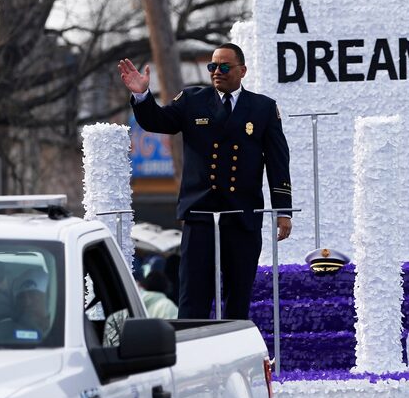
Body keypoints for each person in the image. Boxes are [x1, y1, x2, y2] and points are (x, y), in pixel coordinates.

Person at [118, 42, 292, 320]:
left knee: (238, 298)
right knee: (193, 298)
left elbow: (277, 161)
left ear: (242, 70)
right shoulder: (192, 100)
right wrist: (142, 96)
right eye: (213, 66)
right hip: (201, 215)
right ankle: (191, 357)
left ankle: (233, 356)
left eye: (225, 66)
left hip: (242, 216)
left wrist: (283, 211)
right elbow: (159, 122)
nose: (217, 72)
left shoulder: (263, 108)